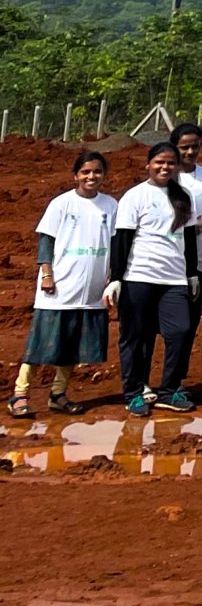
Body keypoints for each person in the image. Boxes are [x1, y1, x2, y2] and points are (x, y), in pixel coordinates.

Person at [15, 153, 116, 417]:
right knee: (41, 342)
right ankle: (20, 394)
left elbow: (116, 243)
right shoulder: (61, 204)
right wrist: (47, 274)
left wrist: (113, 277)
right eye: (85, 172)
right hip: (59, 286)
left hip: (92, 289)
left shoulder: (110, 206)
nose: (91, 177)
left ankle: (57, 394)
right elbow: (46, 242)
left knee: (74, 343)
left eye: (96, 172)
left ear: (103, 175)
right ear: (76, 175)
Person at [109, 142, 202, 417]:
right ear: (148, 164)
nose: (165, 168)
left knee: (180, 331)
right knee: (135, 337)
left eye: (171, 163)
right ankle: (134, 392)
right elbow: (122, 239)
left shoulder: (184, 196)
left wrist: (192, 273)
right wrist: (116, 278)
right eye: (159, 162)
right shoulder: (135, 196)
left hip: (173, 279)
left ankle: (169, 390)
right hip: (139, 276)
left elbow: (188, 238)